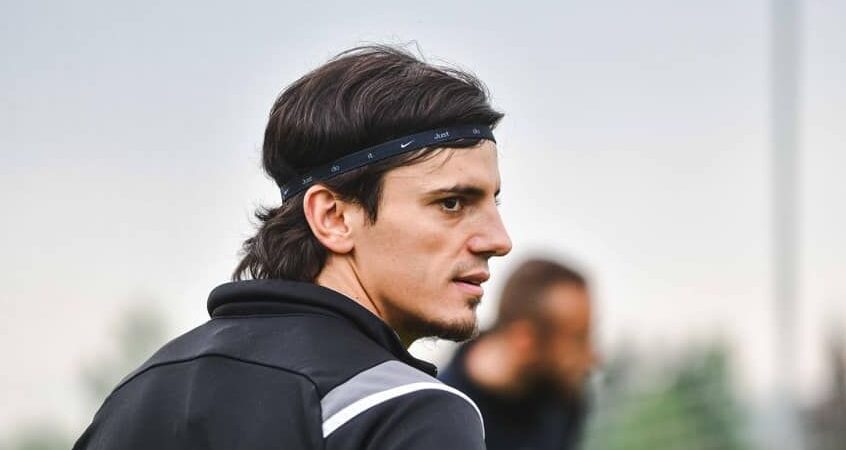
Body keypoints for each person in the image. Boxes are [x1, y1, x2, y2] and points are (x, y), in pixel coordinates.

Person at [73, 45, 512, 450]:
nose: (499, 240)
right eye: (451, 203)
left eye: (493, 202)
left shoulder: (135, 398)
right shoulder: (406, 411)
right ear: (333, 217)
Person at [439, 258, 598, 450]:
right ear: (525, 340)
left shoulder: (564, 397)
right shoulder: (441, 416)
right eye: (577, 339)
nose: (593, 357)